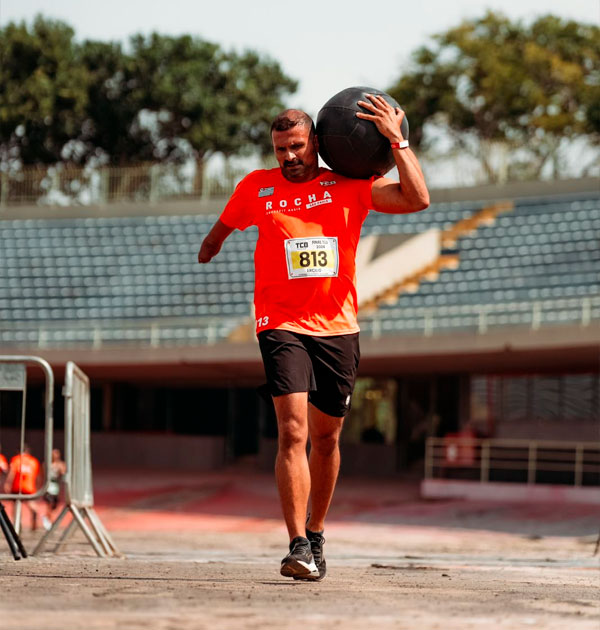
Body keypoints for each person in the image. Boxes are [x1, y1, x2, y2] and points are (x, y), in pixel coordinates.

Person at [198, 94, 429, 581]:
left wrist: (397, 140)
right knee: (293, 432)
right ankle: (296, 544)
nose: (289, 157)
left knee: (325, 439)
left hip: (338, 328)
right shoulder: (256, 188)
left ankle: (317, 532)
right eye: (280, 149)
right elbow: (222, 229)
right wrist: (212, 245)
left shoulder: (349, 184)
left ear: (318, 144)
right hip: (279, 324)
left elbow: (417, 199)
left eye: (297, 147)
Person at [4, 444, 42, 531]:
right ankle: (34, 522)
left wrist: (7, 483)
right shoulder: (34, 461)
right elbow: (37, 476)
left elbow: (12, 473)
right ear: (28, 451)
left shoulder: (16, 459)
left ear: (18, 451)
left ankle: (18, 523)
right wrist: (38, 487)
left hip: (17, 487)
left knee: (17, 506)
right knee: (32, 505)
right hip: (29, 487)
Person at [42, 448, 67, 531]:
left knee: (54, 506)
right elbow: (42, 474)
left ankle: (47, 517)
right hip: (48, 487)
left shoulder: (60, 464)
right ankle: (49, 520)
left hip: (55, 487)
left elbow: (63, 472)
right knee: (49, 504)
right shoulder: (46, 464)